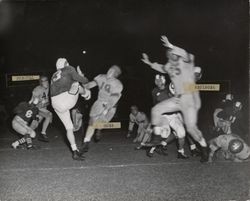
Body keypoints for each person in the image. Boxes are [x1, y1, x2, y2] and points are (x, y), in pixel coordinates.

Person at [142, 35, 208, 162]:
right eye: (169, 55)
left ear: (176, 55)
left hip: (188, 100)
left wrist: (171, 45)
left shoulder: (186, 62)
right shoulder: (169, 66)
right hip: (177, 99)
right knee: (156, 109)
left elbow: (186, 55)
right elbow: (161, 68)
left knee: (191, 129)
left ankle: (204, 149)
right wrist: (149, 63)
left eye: (173, 54)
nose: (171, 57)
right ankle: (156, 137)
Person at [50, 58, 90, 160]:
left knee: (69, 128)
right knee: (77, 84)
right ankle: (86, 95)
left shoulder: (54, 75)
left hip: (55, 104)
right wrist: (81, 75)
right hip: (65, 101)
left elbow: (63, 85)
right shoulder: (69, 68)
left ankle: (75, 151)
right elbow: (84, 81)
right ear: (66, 64)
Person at [80, 65, 123, 154]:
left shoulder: (117, 84)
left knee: (99, 124)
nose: (108, 71)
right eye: (109, 69)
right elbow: (88, 85)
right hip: (99, 102)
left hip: (110, 106)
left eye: (112, 71)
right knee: (91, 122)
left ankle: (99, 130)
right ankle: (86, 142)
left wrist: (106, 109)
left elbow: (114, 99)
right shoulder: (101, 77)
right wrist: (81, 77)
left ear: (115, 74)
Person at [29, 76, 52, 142]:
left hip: (42, 109)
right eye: (43, 81)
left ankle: (26, 135)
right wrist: (38, 103)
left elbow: (47, 101)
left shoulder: (48, 87)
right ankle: (42, 134)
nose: (45, 82)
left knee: (35, 125)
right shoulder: (37, 89)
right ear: (40, 82)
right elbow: (33, 102)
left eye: (46, 80)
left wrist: (45, 103)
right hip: (36, 109)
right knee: (49, 115)